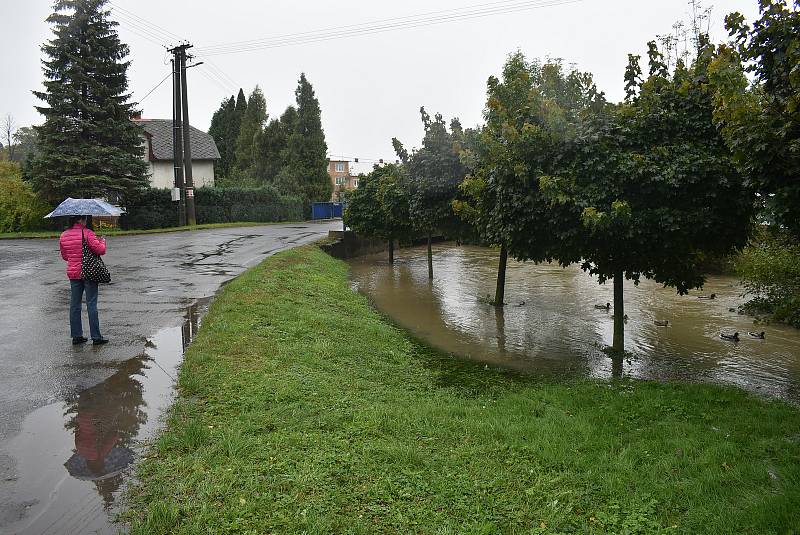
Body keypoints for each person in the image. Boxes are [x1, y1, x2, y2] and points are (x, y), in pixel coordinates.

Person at [59, 215, 108, 345]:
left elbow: (65, 256)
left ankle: (76, 336)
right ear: (80, 220)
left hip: (73, 273)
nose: (86, 221)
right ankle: (96, 337)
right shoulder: (88, 233)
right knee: (91, 304)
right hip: (89, 272)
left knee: (75, 305)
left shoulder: (63, 235)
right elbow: (100, 250)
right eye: (85, 219)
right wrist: (102, 240)